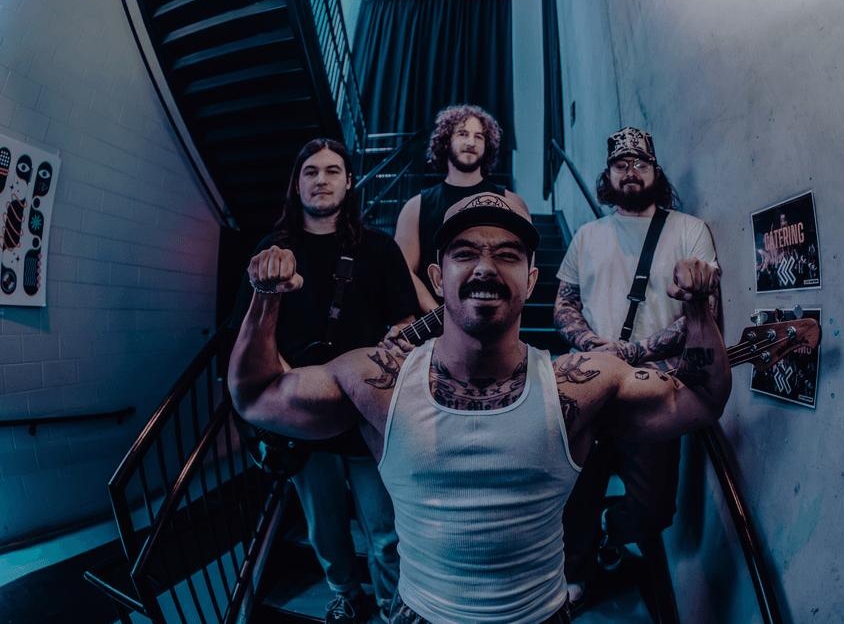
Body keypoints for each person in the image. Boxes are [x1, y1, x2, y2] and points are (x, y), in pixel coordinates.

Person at [229, 192, 732, 623]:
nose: (486, 267)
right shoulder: (380, 381)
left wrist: (696, 308)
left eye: (507, 255)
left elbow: (699, 399)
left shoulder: (576, 385)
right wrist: (264, 300)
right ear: (437, 276)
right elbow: (255, 396)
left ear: (531, 281)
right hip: (420, 614)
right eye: (465, 253)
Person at [229, 138, 419, 623]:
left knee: (386, 530)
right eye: (310, 171)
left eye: (333, 170)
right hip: (300, 413)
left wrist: (399, 338)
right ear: (297, 184)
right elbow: (247, 335)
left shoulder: (378, 247)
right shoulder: (272, 252)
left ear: (349, 182)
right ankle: (346, 593)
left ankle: (392, 606)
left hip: (366, 412)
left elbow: (405, 317)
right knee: (325, 529)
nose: (321, 180)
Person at [553, 126, 722, 610]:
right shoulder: (587, 236)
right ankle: (577, 572)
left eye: (641, 163)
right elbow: (563, 304)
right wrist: (593, 345)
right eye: (621, 164)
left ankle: (614, 529)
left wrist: (632, 351)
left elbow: (703, 312)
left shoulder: (688, 230)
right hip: (591, 386)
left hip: (654, 389)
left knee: (654, 509)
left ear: (655, 171)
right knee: (578, 492)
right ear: (607, 174)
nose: (631, 171)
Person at [395, 104, 529, 314]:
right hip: (433, 324)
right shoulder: (415, 207)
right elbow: (402, 271)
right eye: (463, 134)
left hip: (494, 318)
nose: (471, 142)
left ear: (487, 145)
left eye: (479, 137)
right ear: (445, 140)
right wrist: (440, 315)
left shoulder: (512, 203)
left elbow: (522, 270)